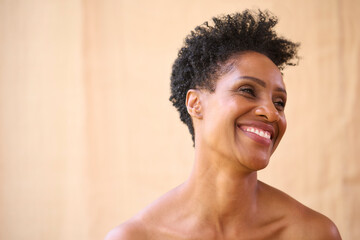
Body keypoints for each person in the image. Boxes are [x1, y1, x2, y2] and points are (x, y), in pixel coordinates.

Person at [105, 10, 342, 240]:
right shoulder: (137, 237)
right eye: (248, 90)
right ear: (196, 103)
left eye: (279, 102)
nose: (271, 113)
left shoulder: (311, 233)